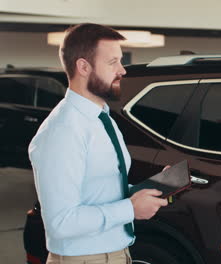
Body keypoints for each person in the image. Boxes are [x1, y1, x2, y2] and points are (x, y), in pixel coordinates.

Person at [29, 23, 168, 264]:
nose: (122, 70)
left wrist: (150, 188)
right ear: (83, 67)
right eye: (112, 62)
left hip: (115, 255)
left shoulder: (100, 117)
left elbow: (100, 190)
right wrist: (130, 209)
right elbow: (61, 222)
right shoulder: (62, 132)